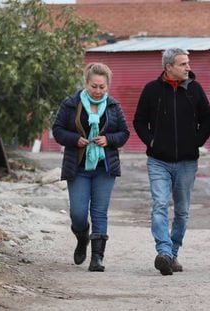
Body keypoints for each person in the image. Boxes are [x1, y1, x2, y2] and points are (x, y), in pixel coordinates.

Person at [134, 48, 210, 275]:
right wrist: (151, 142)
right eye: (183, 64)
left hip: (187, 162)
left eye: (188, 63)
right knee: (160, 204)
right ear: (169, 67)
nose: (188, 67)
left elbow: (208, 120)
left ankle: (173, 253)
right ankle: (164, 252)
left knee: (182, 211)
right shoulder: (151, 90)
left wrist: (195, 142)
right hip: (158, 161)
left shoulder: (194, 90)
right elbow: (139, 121)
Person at [53, 62, 130, 272]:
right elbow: (57, 130)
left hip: (104, 168)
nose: (97, 91)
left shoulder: (113, 106)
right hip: (77, 167)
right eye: (94, 86)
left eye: (102, 87)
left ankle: (97, 258)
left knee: (99, 211)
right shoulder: (71, 104)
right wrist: (75, 139)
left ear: (107, 87)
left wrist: (108, 139)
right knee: (78, 213)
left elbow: (124, 133)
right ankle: (81, 237)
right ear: (86, 83)